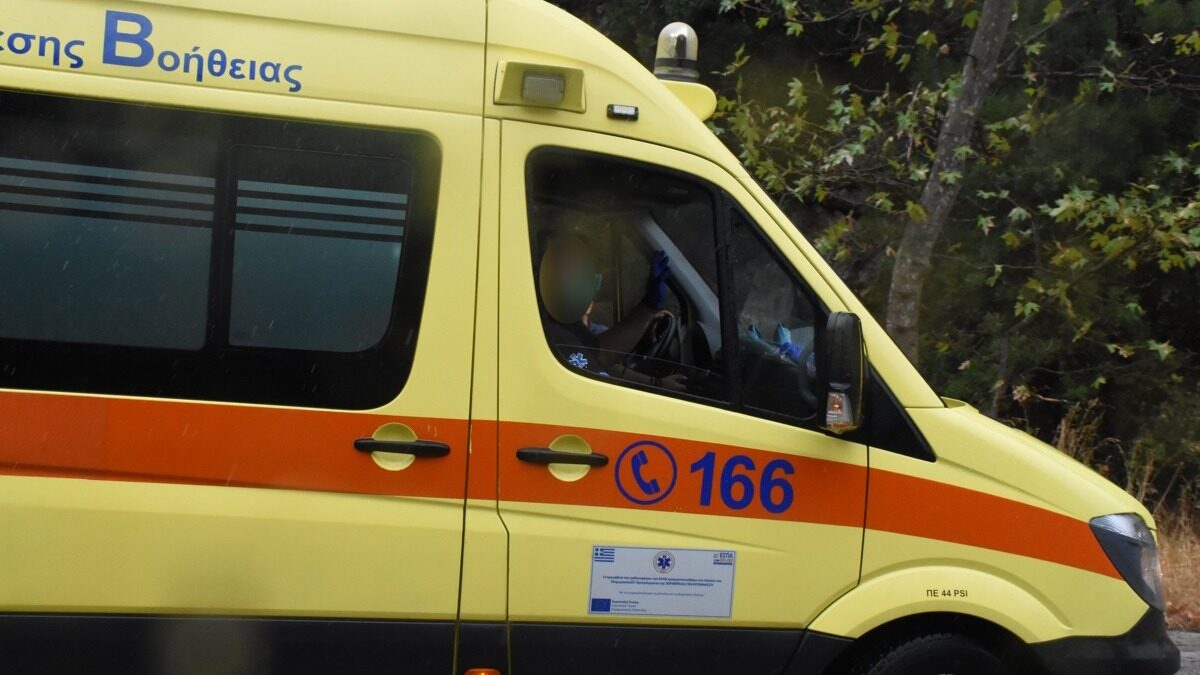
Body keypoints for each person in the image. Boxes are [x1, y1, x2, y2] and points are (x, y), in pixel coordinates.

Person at [536, 230, 687, 391]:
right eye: (572, 269)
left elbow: (600, 354)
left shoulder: (567, 325)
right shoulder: (544, 328)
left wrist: (649, 306)